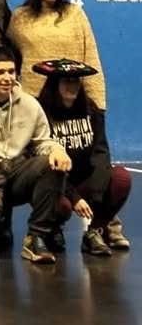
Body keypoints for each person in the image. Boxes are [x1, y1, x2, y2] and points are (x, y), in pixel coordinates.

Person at [0, 46, 72, 263]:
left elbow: (42, 141)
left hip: (19, 170)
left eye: (11, 71)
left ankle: (36, 237)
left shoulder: (29, 104)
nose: (8, 78)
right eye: (0, 72)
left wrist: (56, 150)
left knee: (51, 166)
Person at [34, 58, 131, 254]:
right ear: (55, 85)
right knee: (62, 206)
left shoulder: (91, 111)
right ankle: (53, 228)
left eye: (76, 81)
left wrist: (96, 195)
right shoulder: (40, 113)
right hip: (56, 184)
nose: (73, 86)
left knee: (121, 178)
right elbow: (45, 164)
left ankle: (95, 231)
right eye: (67, 81)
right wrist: (75, 197)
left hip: (86, 181)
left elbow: (101, 153)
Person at [7, 0, 105, 109]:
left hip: (69, 100)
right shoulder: (19, 17)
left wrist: (98, 105)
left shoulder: (75, 13)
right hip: (32, 101)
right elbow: (9, 58)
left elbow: (90, 57)